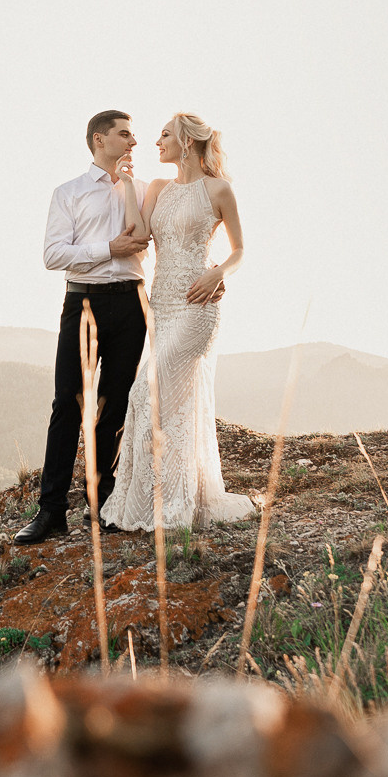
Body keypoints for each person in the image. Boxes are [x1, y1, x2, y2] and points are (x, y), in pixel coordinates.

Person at [102, 112, 257, 530]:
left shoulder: (219, 189)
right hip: (163, 304)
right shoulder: (156, 187)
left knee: (144, 391)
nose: (157, 142)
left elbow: (240, 249)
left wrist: (218, 272)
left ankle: (174, 506)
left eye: (165, 134)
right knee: (170, 401)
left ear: (187, 140)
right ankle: (154, 501)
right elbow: (138, 232)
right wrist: (125, 183)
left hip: (198, 303)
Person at [15, 110, 150, 545]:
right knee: (66, 404)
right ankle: (51, 511)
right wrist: (109, 249)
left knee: (115, 407)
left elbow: (167, 239)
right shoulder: (69, 192)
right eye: (124, 133)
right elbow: (54, 254)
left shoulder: (144, 189)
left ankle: (103, 505)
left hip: (132, 302)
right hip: (82, 300)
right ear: (99, 139)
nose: (133, 140)